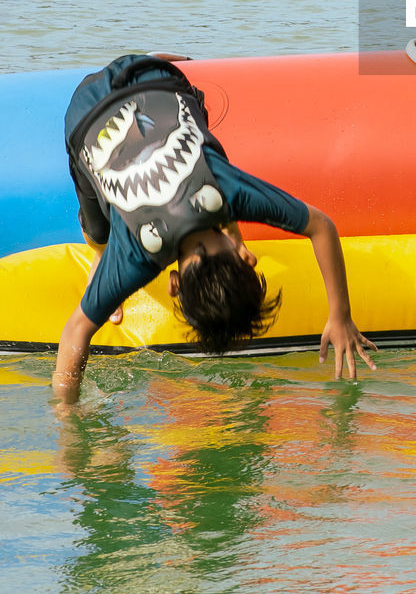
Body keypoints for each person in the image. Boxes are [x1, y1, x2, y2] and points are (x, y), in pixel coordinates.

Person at [52, 53, 377, 403]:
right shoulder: (135, 253)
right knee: (100, 233)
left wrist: (340, 316)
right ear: (174, 285)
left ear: (244, 259)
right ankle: (99, 255)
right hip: (83, 114)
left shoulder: (226, 190)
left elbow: (321, 226)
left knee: (203, 155)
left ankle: (102, 251)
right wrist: (68, 416)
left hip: (150, 78)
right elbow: (76, 332)